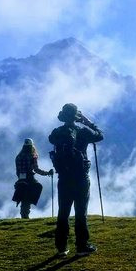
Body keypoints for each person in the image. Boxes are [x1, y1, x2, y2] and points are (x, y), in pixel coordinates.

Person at [48, 103, 103, 256]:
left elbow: (51, 140)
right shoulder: (83, 131)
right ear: (76, 116)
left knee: (63, 212)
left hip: (63, 177)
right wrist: (87, 122)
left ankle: (61, 247)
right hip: (80, 177)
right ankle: (82, 246)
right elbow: (100, 135)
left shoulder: (56, 133)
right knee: (80, 212)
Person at [14, 138, 52, 219]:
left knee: (23, 197)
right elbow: (36, 169)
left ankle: (24, 215)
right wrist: (47, 173)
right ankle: (25, 215)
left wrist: (21, 178)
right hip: (29, 178)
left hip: (21, 179)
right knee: (37, 188)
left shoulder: (18, 156)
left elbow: (17, 170)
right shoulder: (32, 156)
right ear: (32, 146)